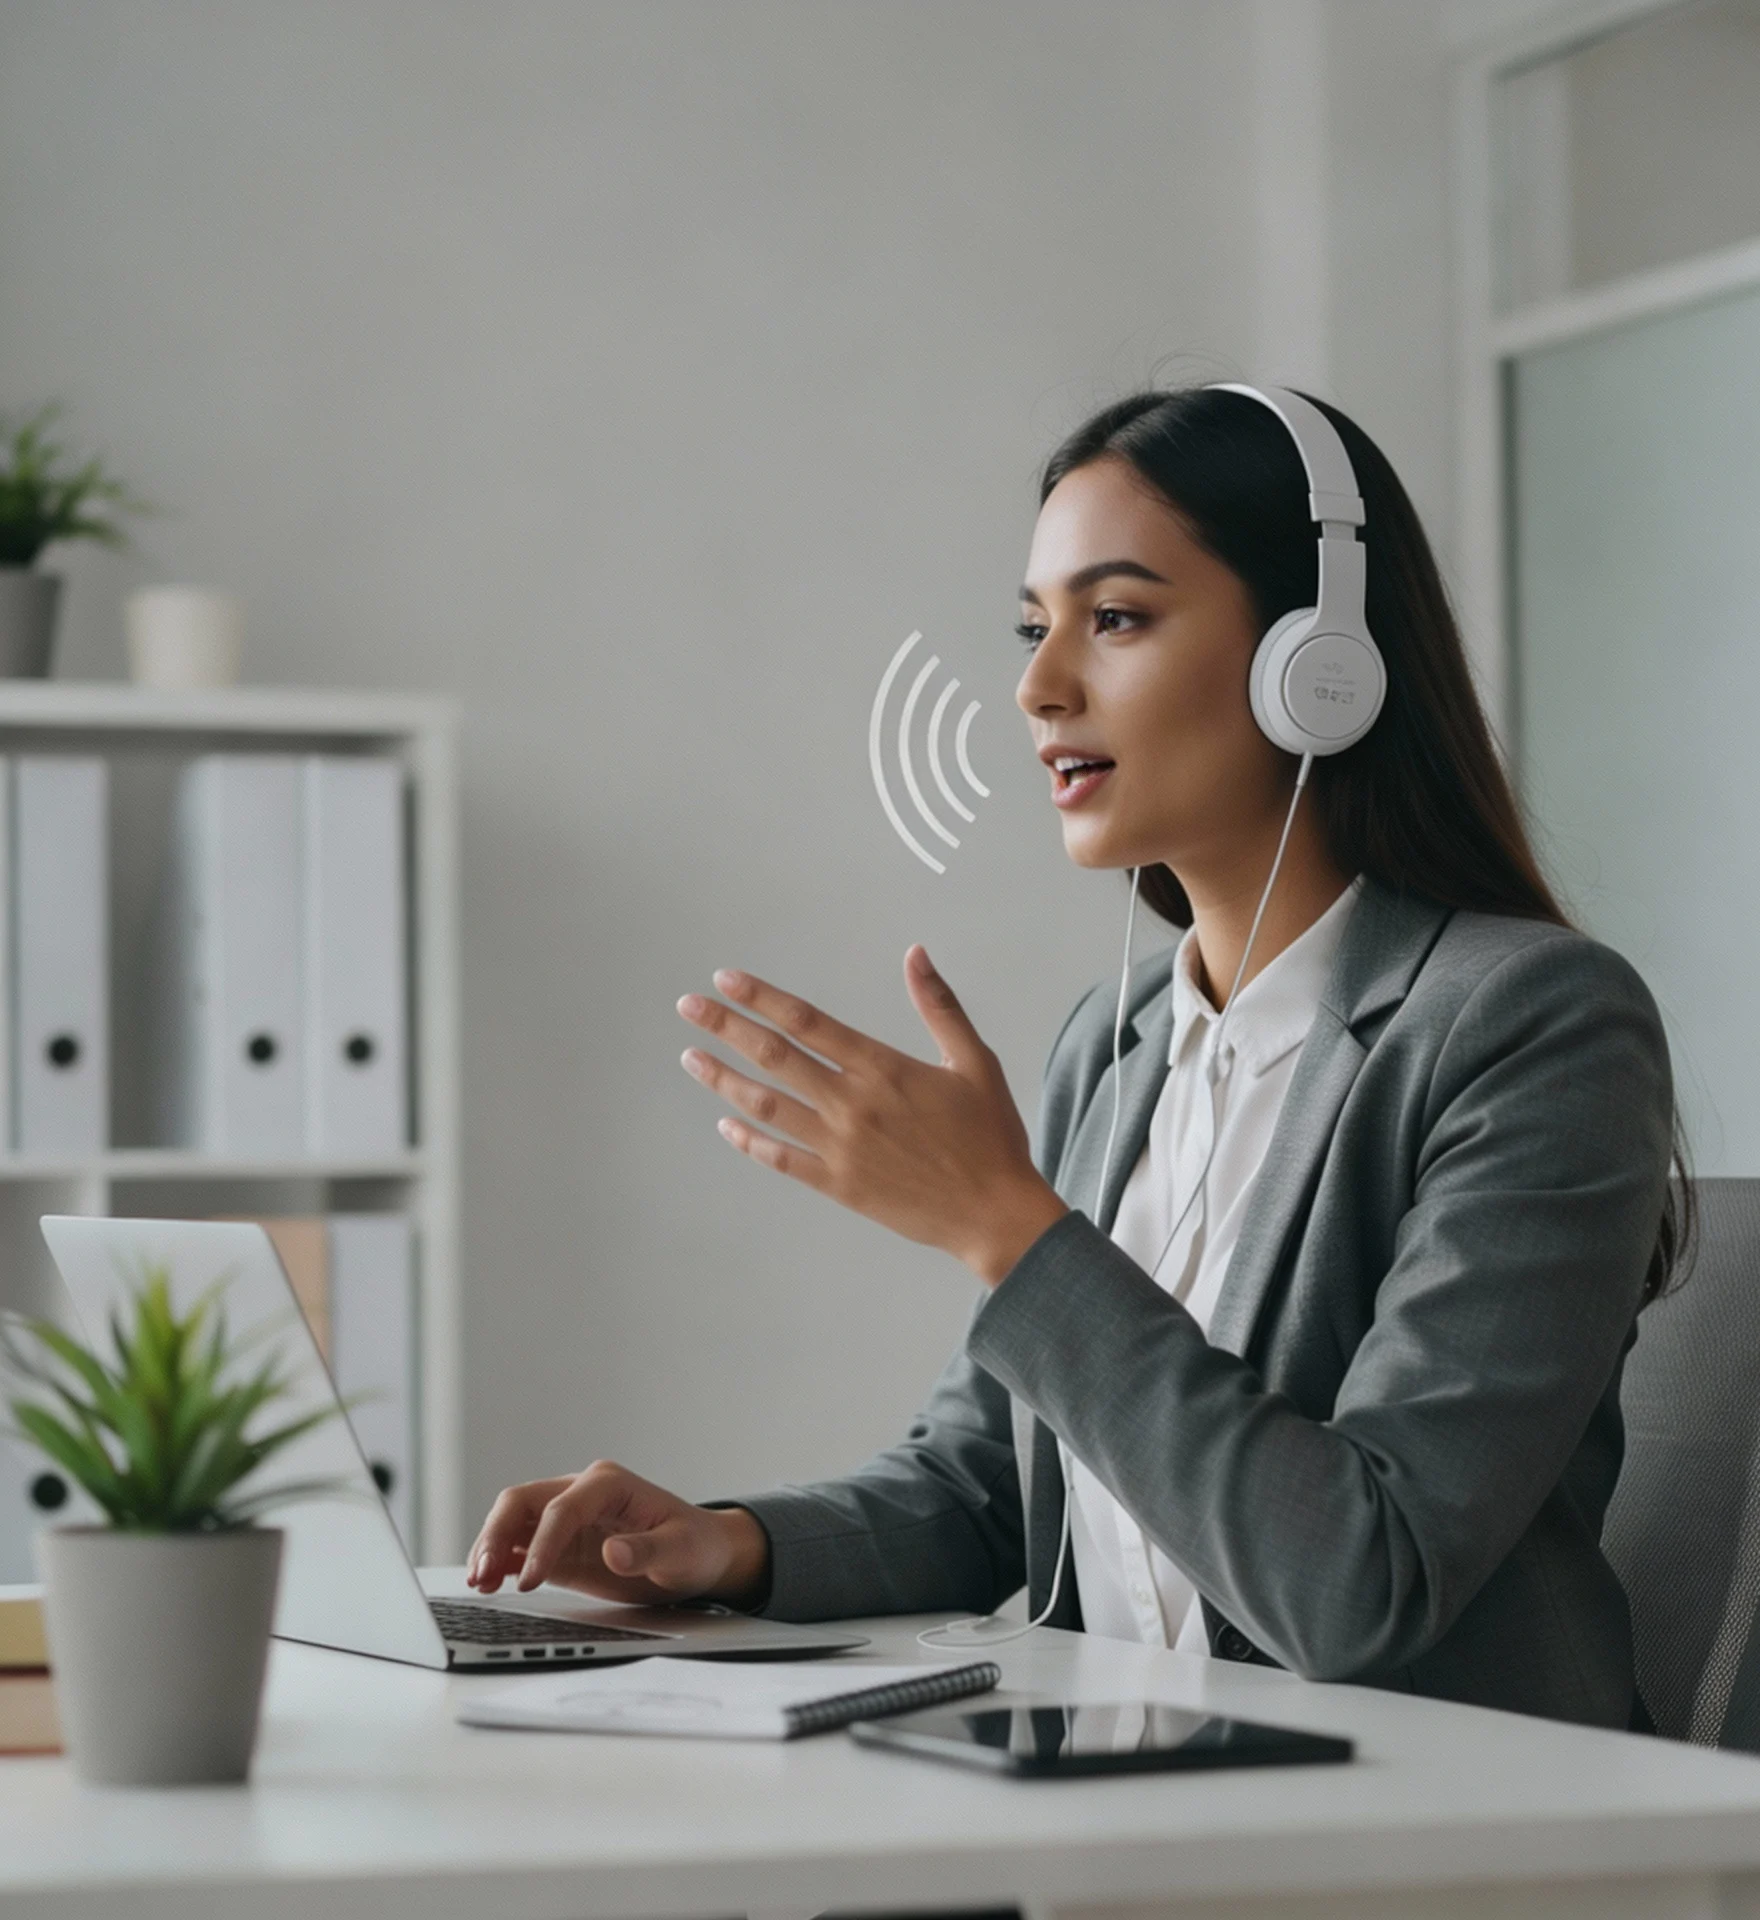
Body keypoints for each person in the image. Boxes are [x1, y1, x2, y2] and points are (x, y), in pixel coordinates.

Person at [467, 384, 1683, 1728]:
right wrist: (724, 1546)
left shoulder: (1531, 1024)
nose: (1039, 687)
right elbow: (985, 1489)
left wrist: (1006, 1229)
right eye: (1033, 628)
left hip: (1432, 1808)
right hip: (1139, 1783)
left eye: (1115, 618)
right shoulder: (1118, 1045)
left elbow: (1360, 1583)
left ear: (1318, 662)